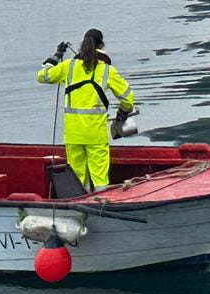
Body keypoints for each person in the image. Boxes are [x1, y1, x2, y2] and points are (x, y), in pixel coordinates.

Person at [36, 29, 136, 191]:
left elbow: (43, 76)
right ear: (102, 46)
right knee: (100, 178)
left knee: (77, 177)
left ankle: (80, 207)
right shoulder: (107, 71)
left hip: (73, 134)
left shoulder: (68, 66)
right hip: (95, 134)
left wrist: (56, 55)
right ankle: (100, 205)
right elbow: (128, 99)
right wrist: (123, 113)